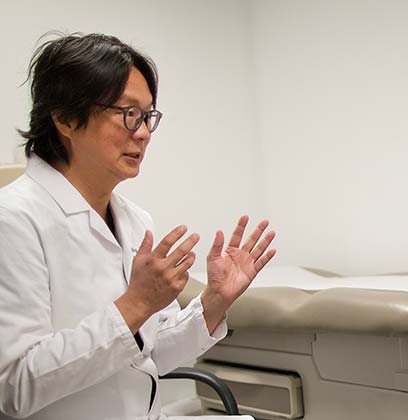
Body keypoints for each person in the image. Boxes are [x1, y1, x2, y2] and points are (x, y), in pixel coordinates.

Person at [0, 33, 276, 420]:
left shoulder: (132, 220)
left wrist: (214, 302)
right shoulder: (13, 220)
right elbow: (14, 388)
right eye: (128, 113)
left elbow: (148, 354)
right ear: (64, 117)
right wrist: (136, 304)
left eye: (148, 116)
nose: (143, 132)